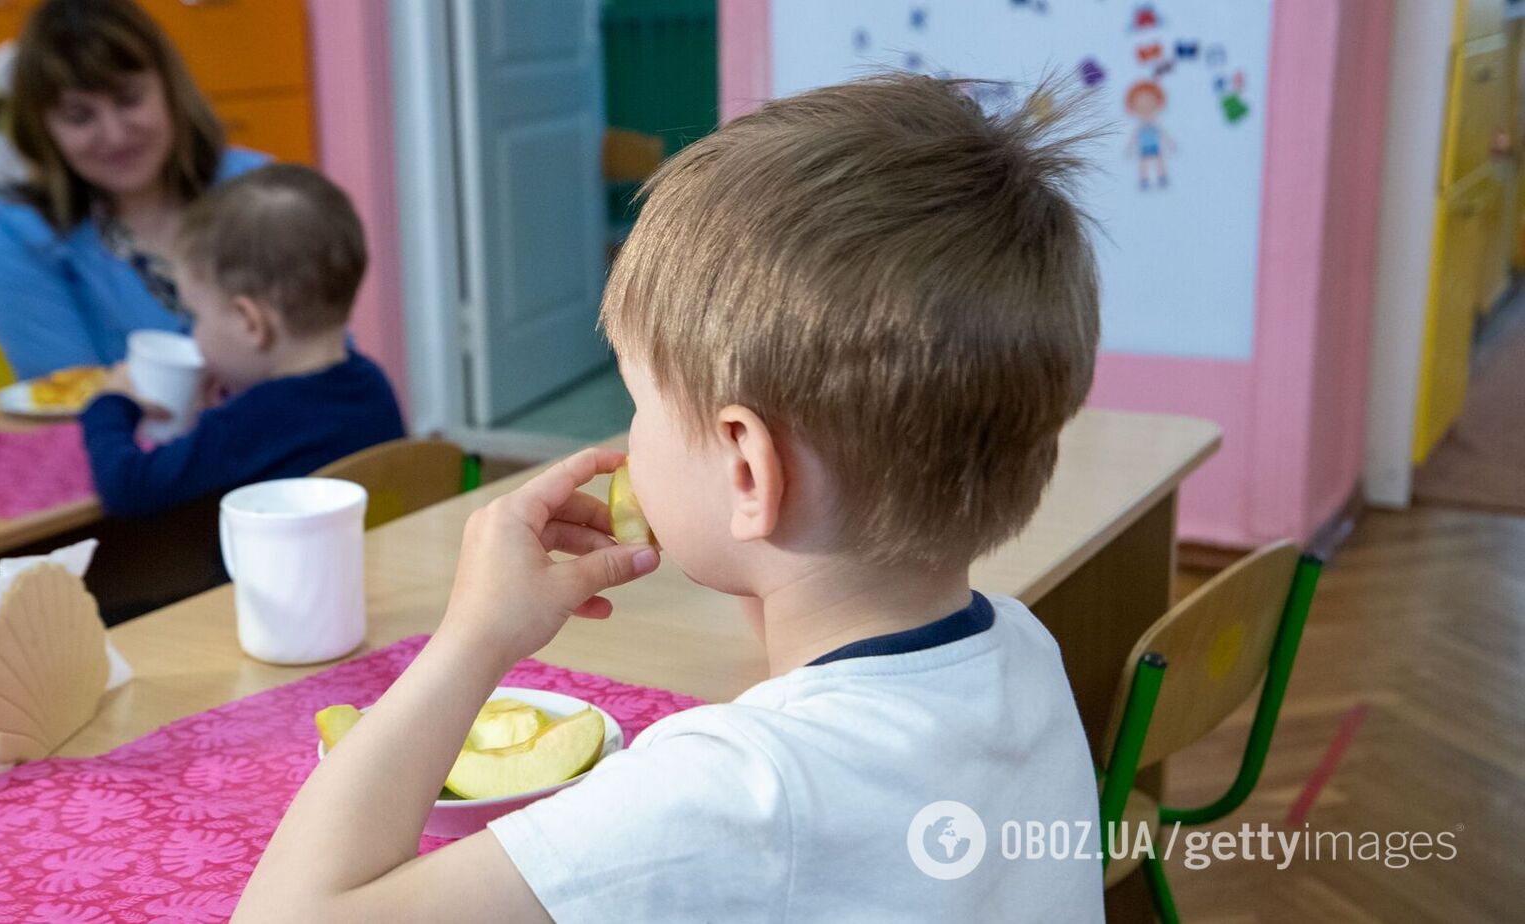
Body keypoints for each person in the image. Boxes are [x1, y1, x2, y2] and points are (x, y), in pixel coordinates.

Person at [233, 73, 1105, 922]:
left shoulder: (730, 793)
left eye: (639, 402)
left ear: (748, 471)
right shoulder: (1024, 649)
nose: (626, 441)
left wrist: (475, 635)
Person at [82, 164, 404, 519]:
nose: (193, 333)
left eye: (196, 316)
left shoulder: (250, 421)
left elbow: (128, 487)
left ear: (251, 322)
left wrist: (109, 404)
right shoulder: (372, 383)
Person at [0, 0, 269, 380]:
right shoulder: (22, 229)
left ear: (170, 88)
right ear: (43, 128)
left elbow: (320, 356)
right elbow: (69, 402)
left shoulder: (257, 191)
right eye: (79, 117)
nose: (115, 135)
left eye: (129, 99)